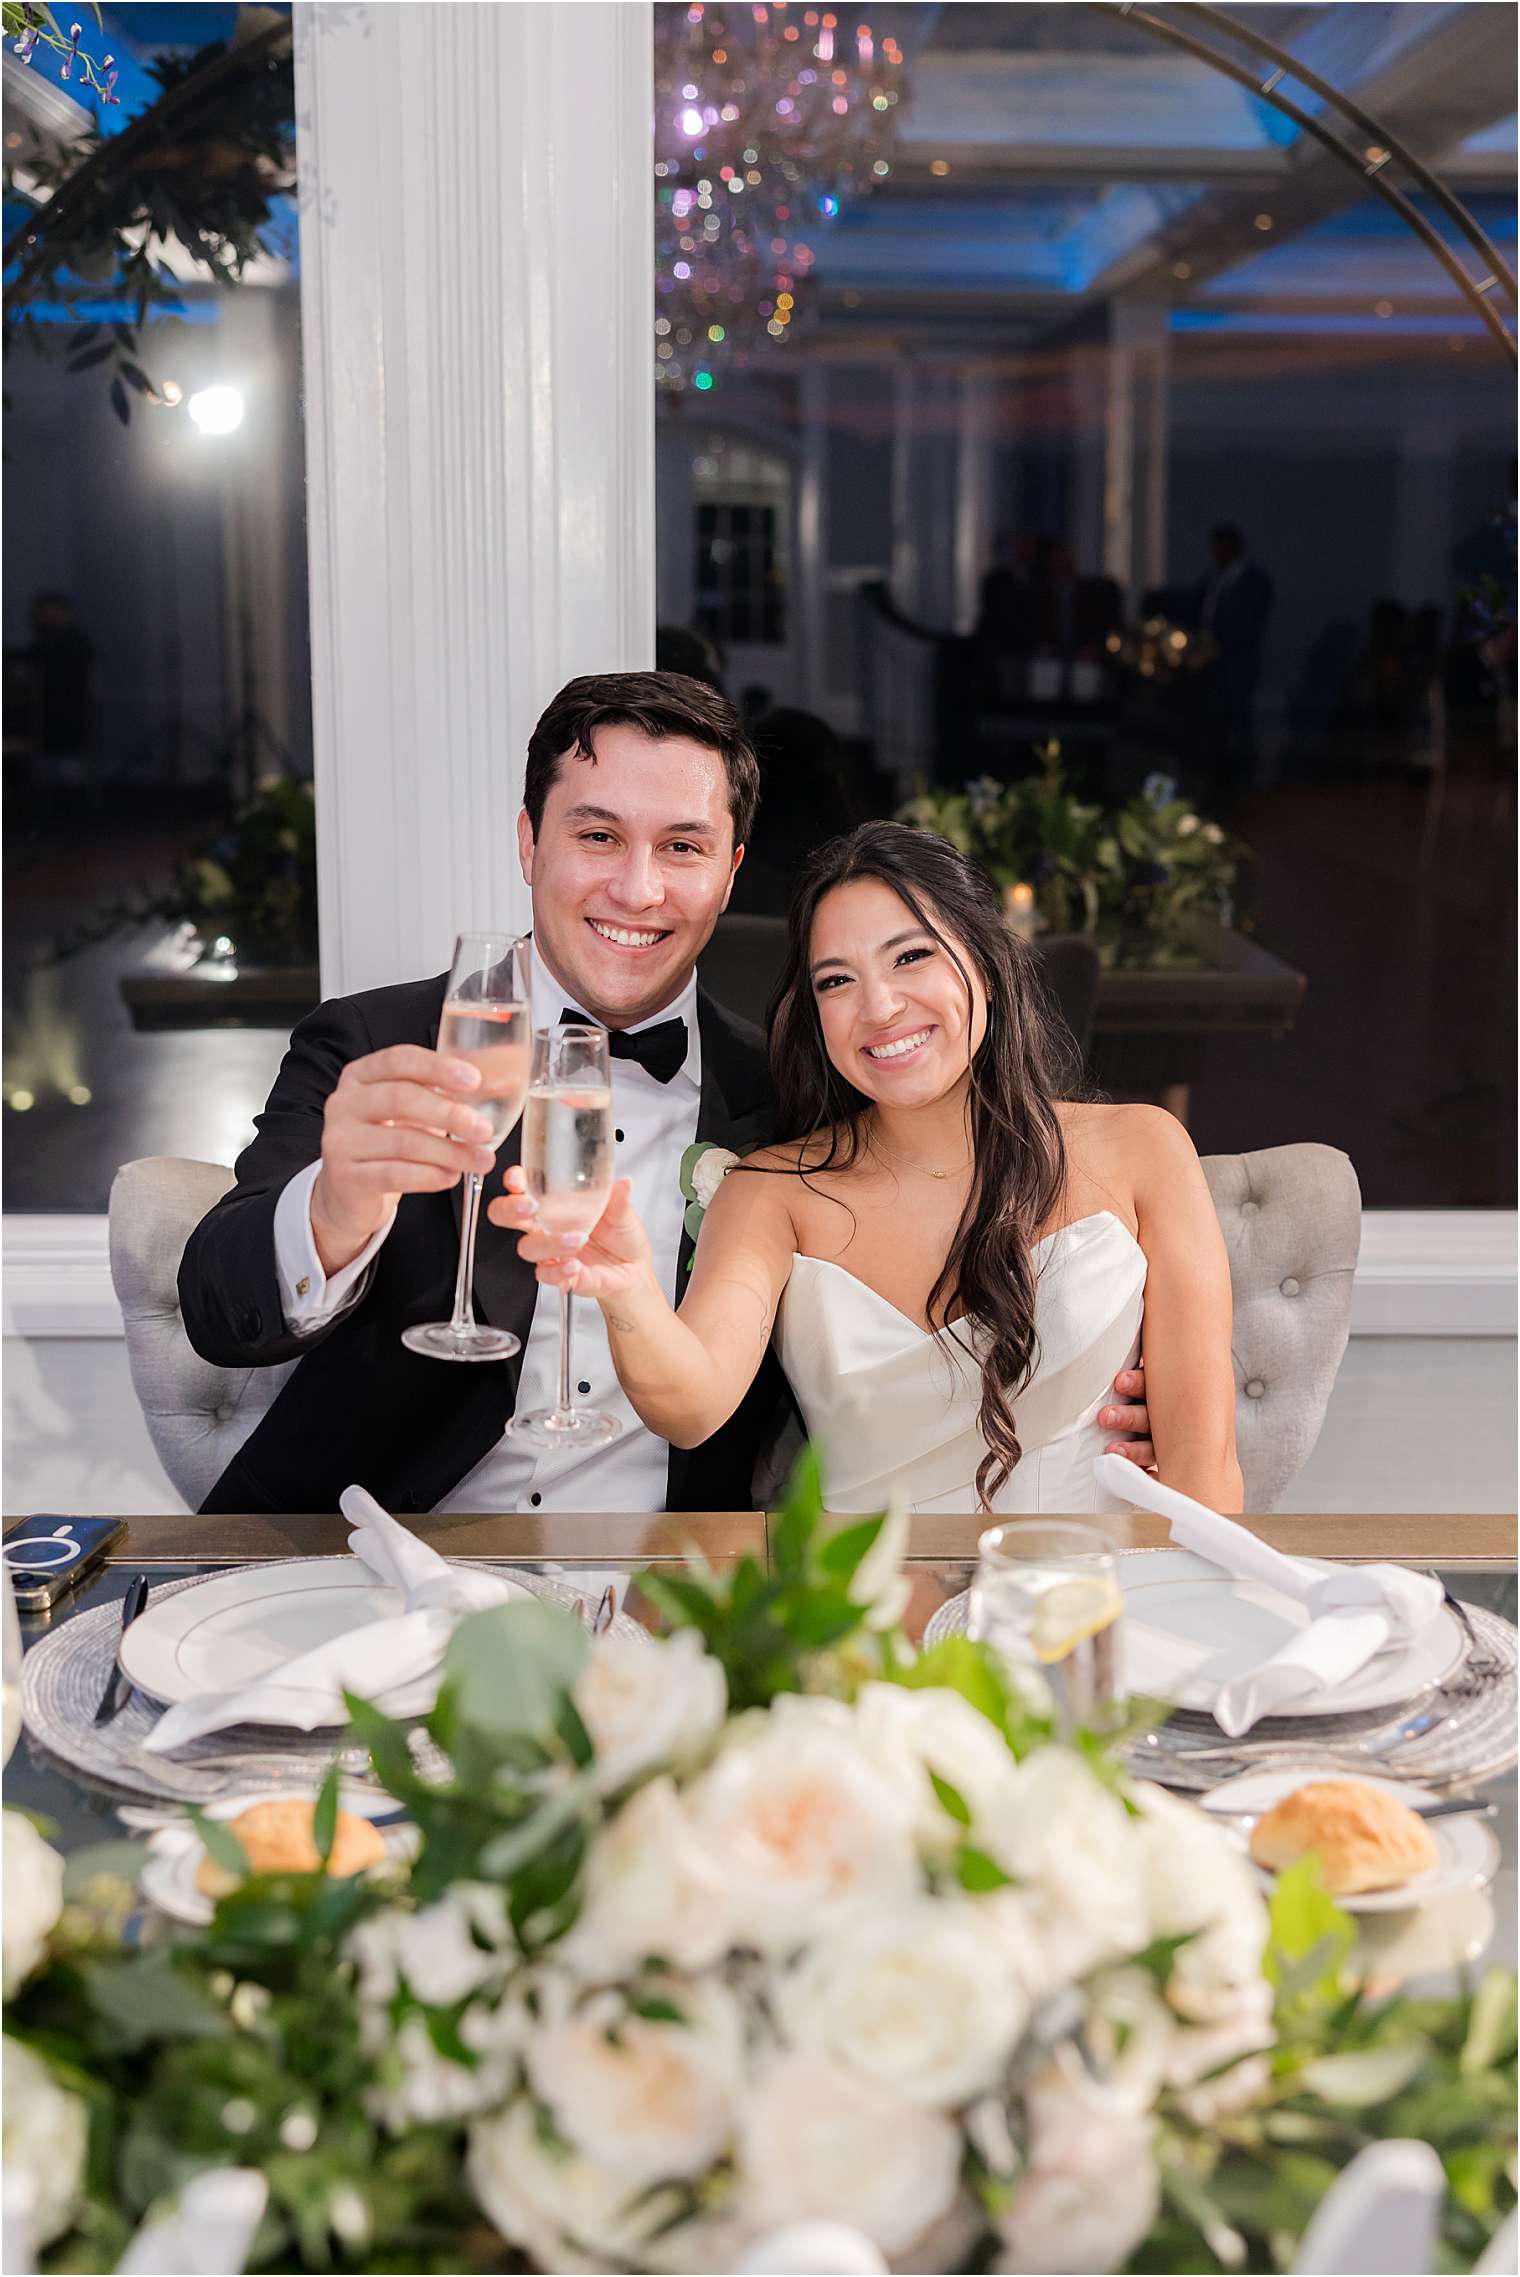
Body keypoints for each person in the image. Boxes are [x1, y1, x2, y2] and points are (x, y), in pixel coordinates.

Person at [180, 673, 1156, 1515]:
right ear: (529, 843)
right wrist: (335, 1208)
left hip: (674, 1588)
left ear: (730, 873)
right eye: (598, 835)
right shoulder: (381, 1043)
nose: (639, 889)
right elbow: (218, 1309)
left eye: (682, 847)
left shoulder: (796, 1091)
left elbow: (935, 1257)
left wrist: (1091, 1397)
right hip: (380, 1556)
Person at [495, 821, 1238, 1516]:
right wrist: (626, 1287)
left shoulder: (1143, 1148)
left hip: (1096, 1597)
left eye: (911, 956)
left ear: (985, 962)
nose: (879, 1007)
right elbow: (691, 1408)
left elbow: (1205, 1478)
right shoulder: (773, 1193)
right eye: (836, 981)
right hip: (861, 1607)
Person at [1188, 524, 1272, 804]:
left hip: (1237, 664)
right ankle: (1217, 780)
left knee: (1240, 724)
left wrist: (1218, 644)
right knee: (1214, 724)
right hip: (1210, 666)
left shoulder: (1254, 581)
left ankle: (1245, 781)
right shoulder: (1212, 578)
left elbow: (1247, 623)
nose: (1216, 553)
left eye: (1221, 547)